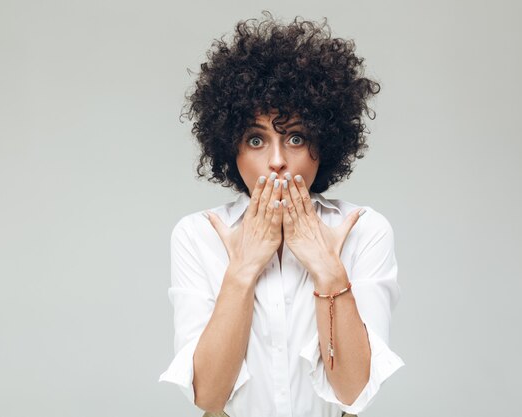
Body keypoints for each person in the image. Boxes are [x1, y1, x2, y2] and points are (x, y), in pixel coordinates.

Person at [159, 11, 405, 417]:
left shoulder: (364, 230)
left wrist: (329, 270)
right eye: (256, 139)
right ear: (230, 148)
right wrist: (242, 269)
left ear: (324, 143)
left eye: (295, 137)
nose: (276, 161)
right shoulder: (198, 235)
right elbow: (208, 397)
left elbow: (354, 393)